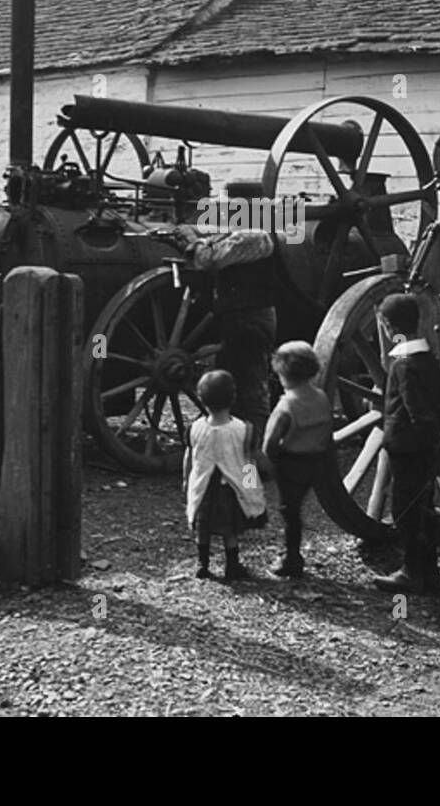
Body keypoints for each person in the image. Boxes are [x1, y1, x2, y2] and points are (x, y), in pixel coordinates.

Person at [175, 181, 280, 463]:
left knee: (251, 388)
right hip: (239, 319)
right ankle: (236, 449)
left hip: (251, 319)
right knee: (237, 383)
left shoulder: (255, 236)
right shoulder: (241, 233)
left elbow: (212, 257)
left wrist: (189, 238)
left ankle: (256, 455)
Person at [373, 293, 440, 595]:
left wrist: (422, 439)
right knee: (425, 510)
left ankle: (411, 572)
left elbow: (417, 410)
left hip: (408, 449)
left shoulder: (402, 365)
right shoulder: (428, 359)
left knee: (406, 512)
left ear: (389, 326)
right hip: (424, 448)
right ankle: (429, 572)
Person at [183, 369, 267, 582]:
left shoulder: (195, 428)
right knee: (229, 531)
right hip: (228, 491)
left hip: (204, 489)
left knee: (202, 530)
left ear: (201, 399)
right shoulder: (243, 429)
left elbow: (189, 457)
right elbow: (249, 460)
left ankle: (203, 565)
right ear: (233, 397)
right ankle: (232, 566)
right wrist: (250, 485)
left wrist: (186, 480)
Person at [262, 340, 332, 578]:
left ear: (282, 374)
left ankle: (292, 558)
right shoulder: (321, 397)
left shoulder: (286, 406)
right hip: (315, 460)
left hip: (290, 462)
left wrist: (266, 468)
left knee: (288, 512)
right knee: (295, 507)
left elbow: (269, 445)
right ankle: (292, 554)